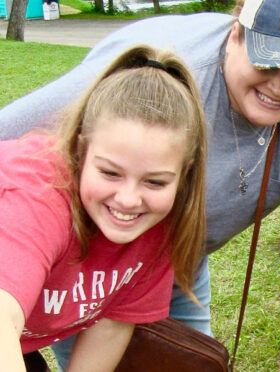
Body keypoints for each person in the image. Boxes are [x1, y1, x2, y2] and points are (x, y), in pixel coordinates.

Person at [0, 0, 280, 368]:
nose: (278, 86)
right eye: (267, 62)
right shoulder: (146, 87)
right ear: (235, 37)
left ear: (186, 177)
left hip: (155, 255)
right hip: (48, 255)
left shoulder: (156, 221)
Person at [0, 45, 207, 371]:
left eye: (155, 182)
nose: (128, 199)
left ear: (184, 175)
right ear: (81, 151)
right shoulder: (37, 198)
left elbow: (110, 325)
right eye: (110, 173)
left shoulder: (159, 223)